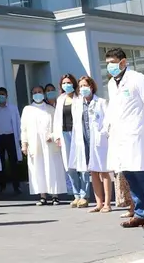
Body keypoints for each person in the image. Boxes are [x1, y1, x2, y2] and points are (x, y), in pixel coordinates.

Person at [105, 48, 144, 229]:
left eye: (113, 62)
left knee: (143, 175)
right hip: (120, 137)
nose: (110, 67)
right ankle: (140, 213)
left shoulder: (138, 79)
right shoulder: (111, 84)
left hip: (137, 134)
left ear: (123, 62)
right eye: (107, 63)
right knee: (129, 174)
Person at [21, 84, 65, 205]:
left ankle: (54, 194)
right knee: (38, 169)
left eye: (39, 91)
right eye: (35, 92)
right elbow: (23, 128)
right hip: (35, 144)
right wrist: (24, 144)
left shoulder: (50, 109)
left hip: (49, 144)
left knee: (51, 168)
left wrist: (52, 135)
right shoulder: (27, 109)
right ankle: (42, 195)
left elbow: (57, 126)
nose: (37, 94)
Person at [52, 74, 90, 207]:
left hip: (77, 134)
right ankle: (76, 195)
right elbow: (57, 119)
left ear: (73, 84)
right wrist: (57, 136)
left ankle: (84, 195)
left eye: (68, 82)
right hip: (64, 134)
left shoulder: (80, 98)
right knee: (70, 167)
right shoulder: (60, 99)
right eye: (64, 83)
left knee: (82, 166)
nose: (66, 85)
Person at [78, 76, 112, 213]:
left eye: (85, 85)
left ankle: (108, 203)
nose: (82, 89)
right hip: (85, 141)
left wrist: (103, 133)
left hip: (99, 140)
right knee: (93, 172)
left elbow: (108, 120)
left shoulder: (101, 102)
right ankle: (98, 203)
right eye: (80, 86)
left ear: (91, 87)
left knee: (104, 172)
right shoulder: (78, 104)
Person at [0, 87, 22, 196]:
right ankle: (1, 186)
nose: (1, 96)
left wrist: (20, 138)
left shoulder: (12, 108)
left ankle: (16, 186)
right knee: (0, 163)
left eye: (2, 94)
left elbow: (18, 123)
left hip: (10, 136)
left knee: (13, 162)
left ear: (6, 95)